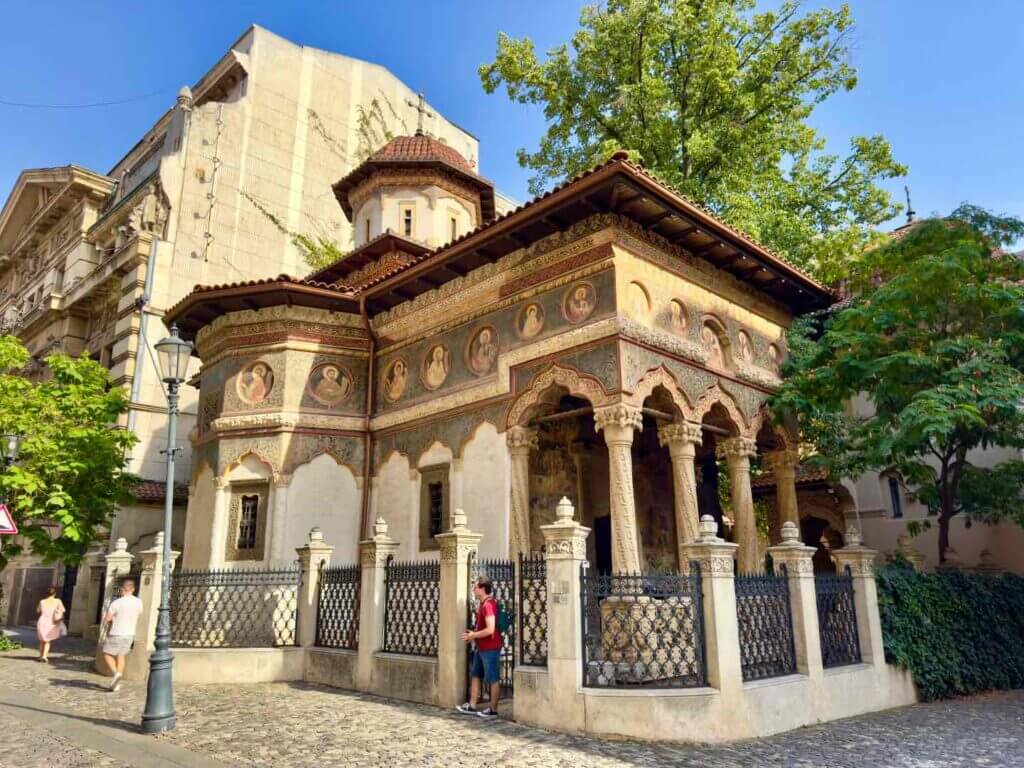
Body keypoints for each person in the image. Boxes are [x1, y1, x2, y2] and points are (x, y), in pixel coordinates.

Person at [456, 576, 502, 719]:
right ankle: (472, 705)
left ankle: (493, 710)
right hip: (482, 647)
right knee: (475, 675)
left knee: (493, 678)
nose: (474, 589)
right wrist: (474, 635)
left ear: (482, 588)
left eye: (475, 587)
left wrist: (473, 635)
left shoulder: (488, 605)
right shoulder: (483, 603)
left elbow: (490, 629)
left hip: (490, 647)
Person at [101, 578, 143, 692]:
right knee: (121, 655)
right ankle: (117, 680)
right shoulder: (138, 602)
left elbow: (107, 618)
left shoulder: (117, 603)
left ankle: (116, 674)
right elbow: (139, 614)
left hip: (117, 632)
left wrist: (112, 618)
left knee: (107, 654)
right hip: (130, 633)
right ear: (133, 589)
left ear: (122, 589)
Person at [35, 586, 65, 663]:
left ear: (46, 594)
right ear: (54, 593)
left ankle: (41, 656)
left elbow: (38, 610)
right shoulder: (58, 601)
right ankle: (44, 656)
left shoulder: (42, 601)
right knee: (47, 640)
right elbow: (63, 610)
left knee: (42, 640)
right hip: (52, 622)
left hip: (42, 621)